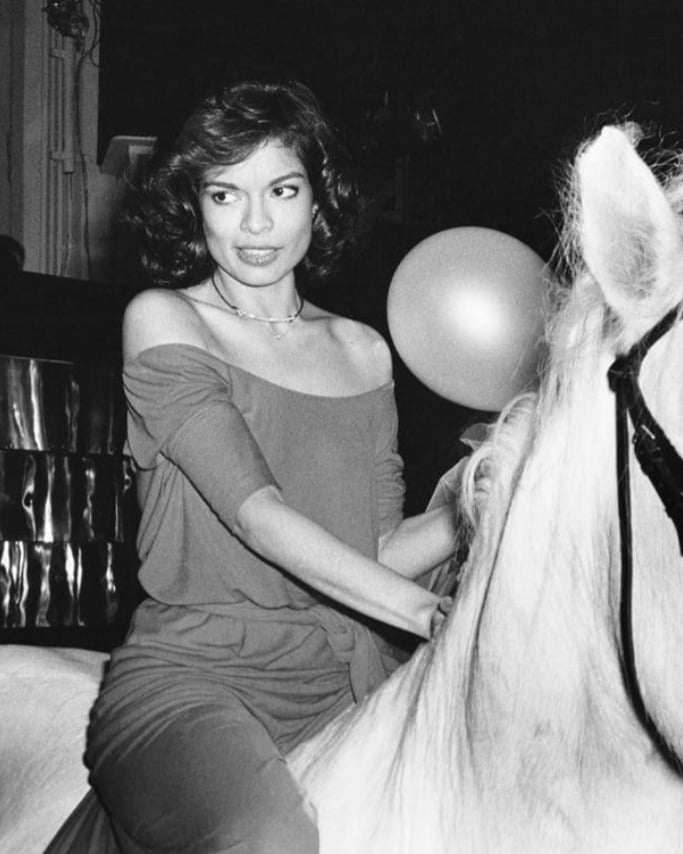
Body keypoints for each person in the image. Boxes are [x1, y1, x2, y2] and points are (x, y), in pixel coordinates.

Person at [46, 79, 458, 853]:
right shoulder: (166, 319)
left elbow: (369, 556)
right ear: (194, 208)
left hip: (341, 679)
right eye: (226, 194)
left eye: (283, 188)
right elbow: (256, 514)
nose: (258, 223)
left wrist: (470, 507)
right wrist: (429, 615)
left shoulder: (363, 350)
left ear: (318, 199)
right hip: (195, 680)